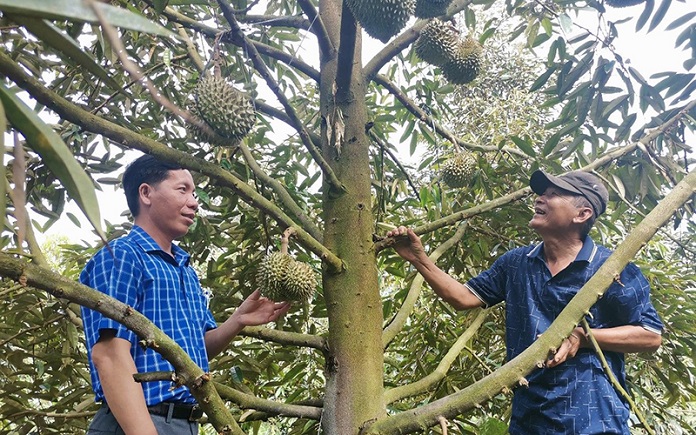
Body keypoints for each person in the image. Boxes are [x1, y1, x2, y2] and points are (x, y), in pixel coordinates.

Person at [387, 170, 663, 435]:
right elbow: (463, 297)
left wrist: (583, 337)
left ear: (583, 214)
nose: (539, 198)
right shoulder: (517, 262)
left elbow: (650, 336)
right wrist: (418, 259)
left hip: (594, 420)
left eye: (553, 194)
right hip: (530, 419)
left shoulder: (611, 268)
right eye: (541, 193)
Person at [80, 154, 291, 434]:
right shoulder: (121, 256)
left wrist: (238, 320)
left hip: (184, 423)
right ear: (146, 193)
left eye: (194, 193)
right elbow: (110, 354)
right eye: (183, 190)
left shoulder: (185, 270)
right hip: (137, 421)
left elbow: (195, 352)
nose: (194, 202)